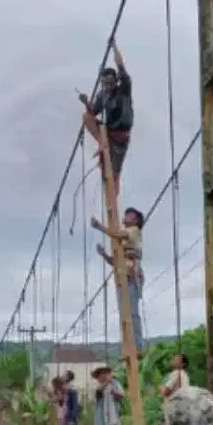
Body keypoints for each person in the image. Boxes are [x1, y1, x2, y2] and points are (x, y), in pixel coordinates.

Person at [77, 39, 133, 199]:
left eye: (110, 83)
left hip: (121, 137)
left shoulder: (124, 89)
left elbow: (121, 67)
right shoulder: (103, 95)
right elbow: (93, 112)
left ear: (116, 81)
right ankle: (103, 143)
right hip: (108, 134)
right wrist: (86, 101)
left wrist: (114, 47)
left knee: (113, 174)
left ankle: (112, 204)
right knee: (86, 116)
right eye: (104, 84)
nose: (107, 87)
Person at [92, 206, 145, 354]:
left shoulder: (134, 230)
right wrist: (104, 255)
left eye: (129, 215)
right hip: (123, 276)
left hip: (131, 276)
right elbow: (115, 262)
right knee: (124, 315)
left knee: (132, 313)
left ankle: (137, 347)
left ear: (135, 220)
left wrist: (99, 226)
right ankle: (129, 347)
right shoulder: (123, 241)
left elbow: (117, 234)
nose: (125, 216)